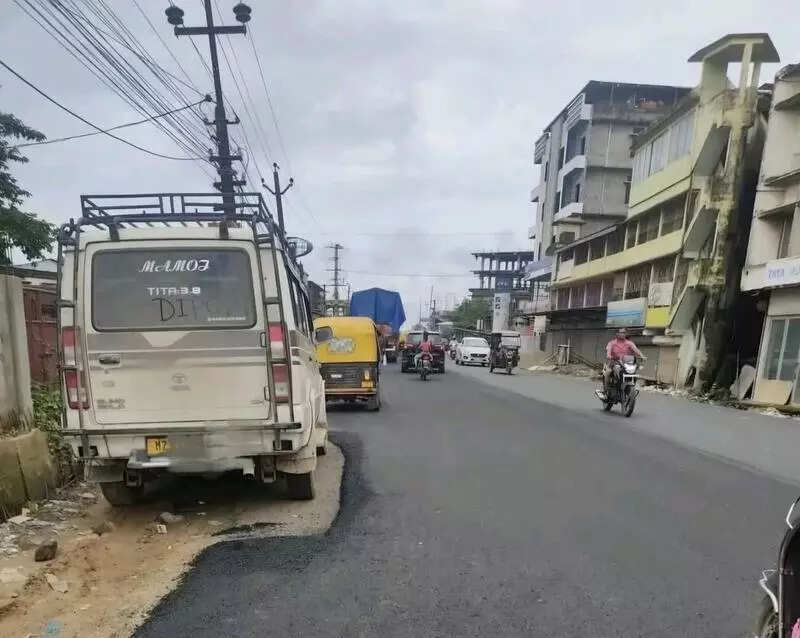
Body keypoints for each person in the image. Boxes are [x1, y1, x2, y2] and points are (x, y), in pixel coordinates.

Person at [603, 328, 644, 394]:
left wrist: (642, 356)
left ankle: (630, 388)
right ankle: (606, 389)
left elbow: (636, 350)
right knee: (608, 372)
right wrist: (609, 355)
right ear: (617, 334)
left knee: (634, 372)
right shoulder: (612, 343)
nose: (623, 334)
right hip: (614, 362)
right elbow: (608, 351)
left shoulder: (629, 343)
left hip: (626, 363)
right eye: (621, 332)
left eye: (624, 332)